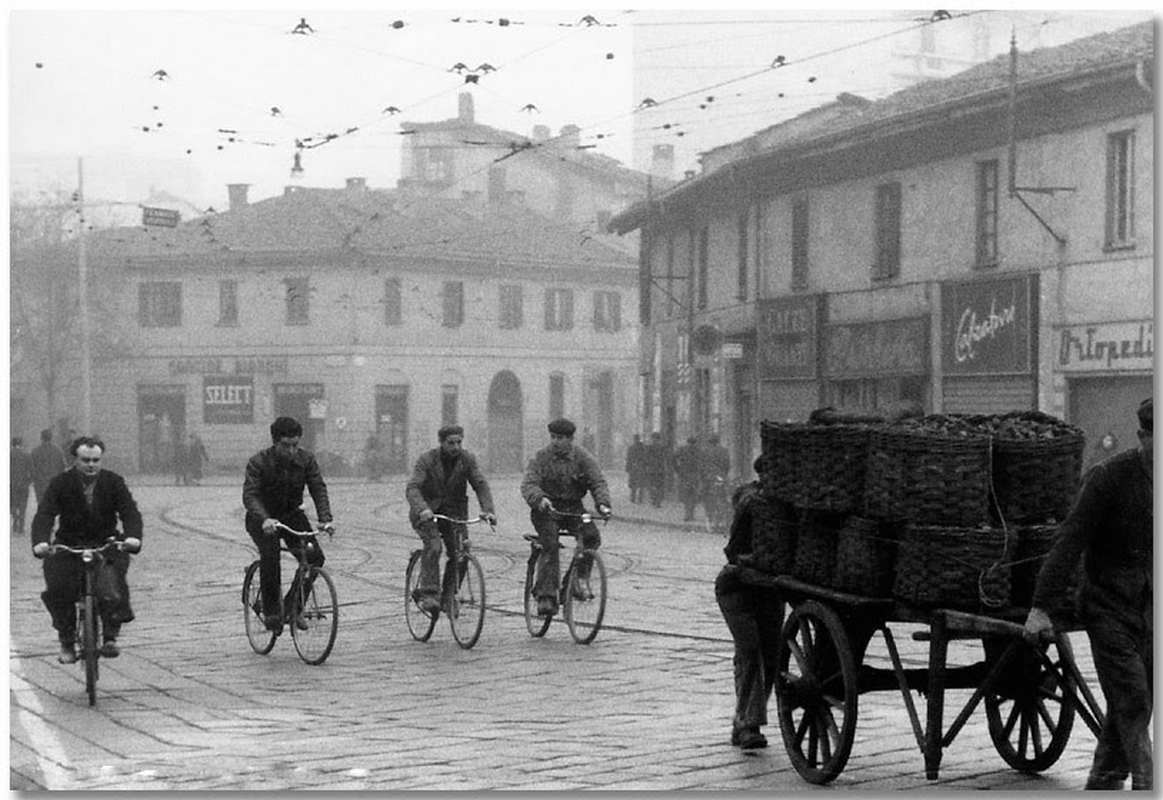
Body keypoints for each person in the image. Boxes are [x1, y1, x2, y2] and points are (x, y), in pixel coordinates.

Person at [1024, 397, 1153, 790]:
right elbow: (1068, 543)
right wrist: (1041, 608)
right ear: (1144, 437)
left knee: (1133, 700)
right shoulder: (1108, 478)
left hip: (1150, 609)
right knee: (1133, 700)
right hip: (1107, 607)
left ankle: (1103, 779)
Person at [30, 436, 143, 663]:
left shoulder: (113, 482)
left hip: (105, 543)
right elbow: (45, 514)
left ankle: (110, 636)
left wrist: (133, 538)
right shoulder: (61, 483)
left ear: (101, 460)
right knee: (58, 588)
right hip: (69, 544)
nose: (91, 465)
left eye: (95, 460)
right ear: (75, 459)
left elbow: (130, 512)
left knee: (112, 584)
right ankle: (67, 640)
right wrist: (41, 542)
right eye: (85, 460)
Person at [714, 458, 783, 750]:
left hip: (770, 590)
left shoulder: (786, 505)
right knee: (750, 650)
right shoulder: (750, 502)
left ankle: (747, 717)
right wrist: (754, 560)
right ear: (762, 474)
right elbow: (733, 549)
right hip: (738, 588)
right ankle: (746, 723)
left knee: (771, 655)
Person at [243, 417, 335, 632]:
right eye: (286, 446)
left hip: (292, 515)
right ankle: (273, 611)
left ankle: (294, 606)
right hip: (262, 518)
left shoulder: (307, 460)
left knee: (314, 557)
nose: (292, 451)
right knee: (271, 554)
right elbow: (250, 495)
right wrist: (264, 518)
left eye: (296, 445)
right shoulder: (259, 462)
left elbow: (318, 488)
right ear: (275, 442)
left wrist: (325, 519)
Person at [520, 418, 612, 618]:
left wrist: (603, 504)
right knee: (550, 544)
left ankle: (575, 581)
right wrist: (540, 498)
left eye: (560, 438)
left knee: (591, 537)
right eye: (553, 437)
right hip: (547, 511)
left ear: (570, 439)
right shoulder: (541, 458)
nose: (555, 442)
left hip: (574, 509)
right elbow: (529, 483)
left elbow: (597, 482)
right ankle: (545, 596)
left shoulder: (583, 458)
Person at [405, 425, 497, 614]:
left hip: (454, 514)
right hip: (427, 513)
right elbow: (413, 487)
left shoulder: (467, 459)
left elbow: (480, 484)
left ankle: (449, 596)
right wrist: (423, 509)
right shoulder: (427, 460)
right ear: (441, 443)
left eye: (459, 442)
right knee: (434, 546)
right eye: (451, 443)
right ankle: (429, 593)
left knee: (461, 552)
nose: (456, 447)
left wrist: (488, 510)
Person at [30, 428, 68, 508]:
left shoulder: (35, 451)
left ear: (41, 438)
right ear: (51, 437)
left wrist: (35, 479)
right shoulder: (58, 450)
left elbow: (32, 468)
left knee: (41, 503)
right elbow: (63, 466)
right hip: (54, 482)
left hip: (40, 483)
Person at [700, 433, 732, 525]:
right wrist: (723, 474)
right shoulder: (724, 451)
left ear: (709, 442)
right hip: (720, 477)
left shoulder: (705, 451)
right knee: (722, 496)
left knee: (706, 496)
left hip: (708, 477)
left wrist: (703, 476)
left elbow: (702, 466)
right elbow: (727, 465)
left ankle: (710, 516)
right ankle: (721, 516)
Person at [673, 436, 701, 521]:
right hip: (694, 475)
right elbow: (703, 462)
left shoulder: (682, 449)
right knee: (693, 495)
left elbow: (673, 458)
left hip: (684, 475)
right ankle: (691, 514)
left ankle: (687, 514)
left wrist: (677, 469)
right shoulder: (698, 450)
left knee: (686, 495)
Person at [11, 437, 34, 534]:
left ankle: (15, 519)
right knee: (23, 505)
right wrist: (29, 481)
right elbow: (32, 470)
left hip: (11, 484)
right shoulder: (26, 455)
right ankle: (21, 525)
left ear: (12, 444)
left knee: (12, 504)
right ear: (21, 444)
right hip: (24, 484)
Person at [643, 432, 668, 508]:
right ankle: (657, 501)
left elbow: (645, 459)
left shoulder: (649, 448)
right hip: (659, 470)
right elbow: (665, 458)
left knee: (652, 486)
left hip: (653, 470)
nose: (654, 440)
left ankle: (655, 500)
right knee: (659, 486)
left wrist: (646, 467)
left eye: (654, 439)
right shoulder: (662, 448)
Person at [625, 433, 647, 504]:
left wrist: (628, 467)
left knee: (635, 484)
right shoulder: (642, 447)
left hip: (635, 468)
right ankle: (638, 499)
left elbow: (629, 458)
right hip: (639, 468)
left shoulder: (632, 448)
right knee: (640, 484)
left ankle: (634, 498)